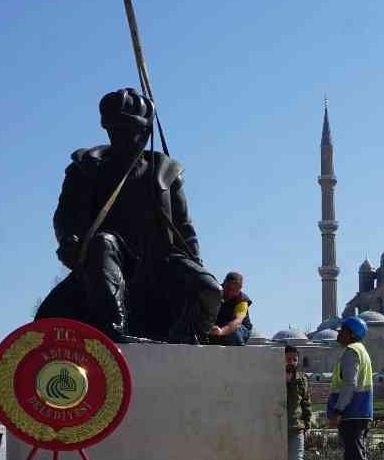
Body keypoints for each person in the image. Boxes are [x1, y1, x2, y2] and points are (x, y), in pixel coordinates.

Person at [37, 87, 221, 343]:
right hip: (108, 262)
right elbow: (66, 218)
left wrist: (195, 267)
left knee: (209, 289)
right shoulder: (87, 169)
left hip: (160, 263)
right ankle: (115, 333)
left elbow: (184, 228)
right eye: (115, 130)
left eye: (130, 130)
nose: (122, 137)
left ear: (146, 133)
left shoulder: (165, 174)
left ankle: (183, 343)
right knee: (103, 243)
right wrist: (70, 239)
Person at [326, 316, 375, 460]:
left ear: (351, 333)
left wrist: (338, 410)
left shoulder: (351, 352)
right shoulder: (360, 351)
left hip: (352, 413)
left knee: (355, 459)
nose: (338, 333)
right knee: (357, 458)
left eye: (342, 330)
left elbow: (349, 385)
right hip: (359, 412)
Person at [285, 346, 313, 460]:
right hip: (277, 428)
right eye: (288, 358)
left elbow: (306, 403)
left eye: (294, 359)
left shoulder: (302, 379)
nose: (291, 362)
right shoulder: (273, 377)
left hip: (296, 427)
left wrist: (307, 423)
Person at [209, 271, 254, 345]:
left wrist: (221, 331)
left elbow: (237, 321)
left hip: (237, 330)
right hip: (217, 327)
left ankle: (238, 353)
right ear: (223, 284)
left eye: (233, 290)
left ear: (240, 288)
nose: (229, 292)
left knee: (236, 330)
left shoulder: (242, 300)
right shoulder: (213, 294)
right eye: (227, 288)